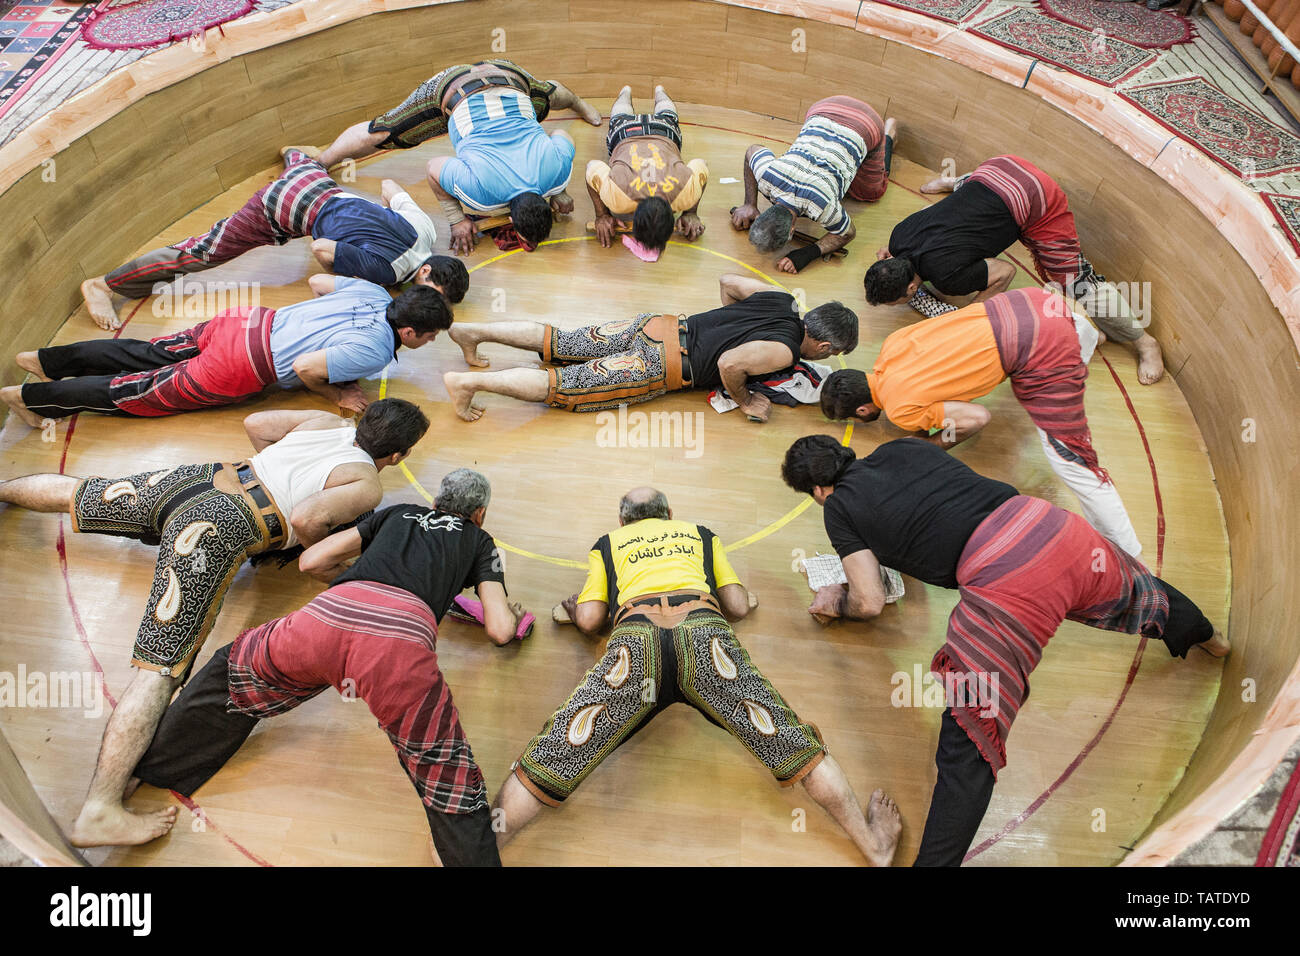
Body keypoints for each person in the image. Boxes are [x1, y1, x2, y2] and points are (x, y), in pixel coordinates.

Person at [781, 435, 1229, 865]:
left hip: (1006, 577)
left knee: (971, 731)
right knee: (1138, 592)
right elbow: (932, 502)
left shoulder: (837, 506)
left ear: (819, 490)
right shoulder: (900, 447)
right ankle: (1213, 640)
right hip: (1050, 525)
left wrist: (836, 603)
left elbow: (870, 601)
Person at [0, 399, 431, 846]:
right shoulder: (365, 483)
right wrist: (319, 560)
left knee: (79, 492)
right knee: (160, 669)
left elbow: (257, 423)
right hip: (222, 526)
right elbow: (307, 518)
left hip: (204, 480)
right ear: (399, 456)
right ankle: (98, 809)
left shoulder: (326, 421)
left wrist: (273, 468)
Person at [131, 468, 528, 866]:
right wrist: (508, 613)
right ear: (480, 514)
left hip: (322, 622)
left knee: (233, 671)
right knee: (444, 766)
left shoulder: (399, 512)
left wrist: (353, 584)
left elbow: (312, 561)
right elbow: (498, 629)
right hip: (395, 653)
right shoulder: (480, 541)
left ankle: (153, 768)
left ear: (435, 502)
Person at [490, 486, 903, 865]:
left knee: (559, 749)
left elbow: (589, 619)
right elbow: (738, 606)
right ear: (669, 514)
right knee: (788, 739)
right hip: (705, 637)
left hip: (637, 645)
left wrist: (580, 607)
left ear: (622, 523)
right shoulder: (701, 534)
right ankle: (873, 845)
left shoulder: (606, 544)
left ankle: (479, 849)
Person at [818, 286, 1141, 556]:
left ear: (862, 410)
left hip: (1041, 343)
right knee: (1060, 342)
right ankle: (1084, 334)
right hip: (1030, 301)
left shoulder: (900, 409)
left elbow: (977, 417)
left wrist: (929, 447)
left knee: (1070, 460)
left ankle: (1128, 553)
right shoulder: (892, 346)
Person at [79, 147, 468, 331]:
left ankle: (293, 154)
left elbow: (387, 185)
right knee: (203, 252)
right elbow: (320, 247)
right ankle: (103, 284)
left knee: (303, 162)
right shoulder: (384, 272)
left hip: (315, 180)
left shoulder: (425, 230)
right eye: (433, 291)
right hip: (281, 207)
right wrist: (345, 269)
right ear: (428, 270)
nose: (428, 299)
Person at [863, 154, 1164, 384]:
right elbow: (933, 215)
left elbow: (1005, 271)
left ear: (912, 289)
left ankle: (1144, 343)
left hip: (1034, 197)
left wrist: (973, 315)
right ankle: (954, 183)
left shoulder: (949, 276)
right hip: (998, 169)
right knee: (959, 206)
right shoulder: (898, 236)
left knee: (1077, 281)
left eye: (899, 301)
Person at [3, 278, 450, 426]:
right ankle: (29, 400)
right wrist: (338, 396)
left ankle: (45, 361)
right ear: (409, 331)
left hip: (245, 321)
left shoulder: (374, 291)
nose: (428, 344)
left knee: (142, 353)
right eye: (429, 337)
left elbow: (319, 284)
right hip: (240, 364)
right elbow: (304, 367)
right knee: (137, 390)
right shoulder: (374, 351)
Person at [442, 274, 858, 421]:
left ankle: (472, 331)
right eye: (828, 353)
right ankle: (466, 384)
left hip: (657, 325)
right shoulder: (786, 350)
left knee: (560, 339)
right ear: (821, 344)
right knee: (563, 384)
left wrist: (724, 323)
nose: (825, 359)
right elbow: (732, 363)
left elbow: (729, 281)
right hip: (660, 364)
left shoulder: (782, 298)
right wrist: (746, 401)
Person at [316, 60, 601, 254]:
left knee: (547, 95)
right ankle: (321, 162)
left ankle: (577, 102)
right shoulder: (482, 196)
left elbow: (562, 138)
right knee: (385, 132)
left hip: (508, 76)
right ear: (510, 219)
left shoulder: (559, 171)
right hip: (451, 89)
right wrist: (456, 219)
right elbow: (432, 168)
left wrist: (558, 186)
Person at [731, 96, 896, 273]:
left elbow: (848, 232)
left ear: (791, 231)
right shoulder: (766, 176)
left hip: (867, 123)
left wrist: (808, 254)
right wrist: (749, 204)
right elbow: (752, 150)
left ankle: (889, 133)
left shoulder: (821, 206)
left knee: (871, 193)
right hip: (824, 107)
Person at [586, 84, 708, 255]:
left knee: (666, 115)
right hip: (627, 132)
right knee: (620, 116)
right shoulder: (617, 198)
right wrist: (691, 213)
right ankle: (658, 91)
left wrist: (602, 215)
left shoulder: (686, 194)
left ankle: (627, 91)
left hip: (662, 130)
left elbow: (700, 165)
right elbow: (702, 164)